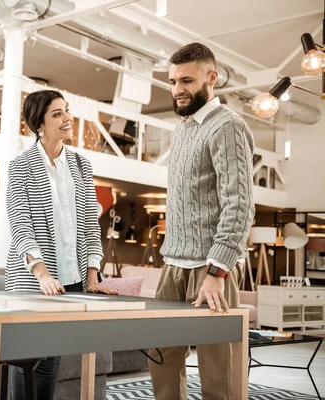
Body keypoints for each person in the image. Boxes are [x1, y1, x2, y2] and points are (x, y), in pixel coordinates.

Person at [148, 43, 255, 400]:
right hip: (172, 268)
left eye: (187, 80)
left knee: (218, 377)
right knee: (162, 366)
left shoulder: (227, 126)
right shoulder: (181, 131)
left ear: (212, 78)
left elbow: (239, 206)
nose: (178, 89)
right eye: (173, 80)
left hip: (210, 270)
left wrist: (217, 272)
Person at [5, 89, 116, 399]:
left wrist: (92, 277)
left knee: (51, 358)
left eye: (66, 110)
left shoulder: (81, 165)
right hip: (32, 281)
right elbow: (21, 224)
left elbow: (91, 225)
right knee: (26, 359)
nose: (68, 118)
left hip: (72, 281)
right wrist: (41, 274)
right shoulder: (20, 166)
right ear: (39, 124)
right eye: (57, 114)